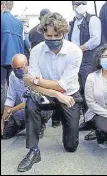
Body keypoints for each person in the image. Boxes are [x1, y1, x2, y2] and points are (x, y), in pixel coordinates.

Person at [17, 12, 83, 172]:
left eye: (57, 35)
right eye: (49, 35)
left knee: (71, 146)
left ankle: (61, 119)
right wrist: (56, 94)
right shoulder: (36, 51)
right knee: (32, 102)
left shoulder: (75, 52)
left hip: (70, 96)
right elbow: (33, 88)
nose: (52, 39)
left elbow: (61, 85)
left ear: (64, 33)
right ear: (43, 33)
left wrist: (36, 80)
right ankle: (33, 150)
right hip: (50, 95)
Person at [68, 1, 101, 131]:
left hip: (88, 60)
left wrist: (78, 49)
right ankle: (88, 120)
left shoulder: (92, 19)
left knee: (91, 91)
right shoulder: (72, 23)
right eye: (77, 2)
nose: (81, 4)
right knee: (80, 90)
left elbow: (95, 40)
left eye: (83, 2)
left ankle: (95, 123)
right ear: (73, 6)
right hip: (75, 61)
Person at [1, 54, 46, 139]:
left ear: (26, 65)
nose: (16, 71)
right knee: (4, 133)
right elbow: (10, 97)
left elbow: (32, 100)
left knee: (33, 109)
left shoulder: (35, 74)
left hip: (38, 107)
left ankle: (39, 125)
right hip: (19, 109)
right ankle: (22, 124)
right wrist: (3, 119)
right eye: (14, 68)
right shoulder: (13, 76)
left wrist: (11, 111)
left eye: (19, 68)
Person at [1, 1, 24, 114]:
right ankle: (17, 117)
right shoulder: (19, 23)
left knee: (1, 89)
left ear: (3, 5)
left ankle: (2, 117)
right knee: (16, 89)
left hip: (2, 59)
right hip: (17, 61)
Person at [84, 44, 107, 148]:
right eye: (105, 56)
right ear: (99, 58)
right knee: (103, 127)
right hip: (98, 112)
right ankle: (102, 138)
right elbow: (91, 102)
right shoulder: (92, 77)